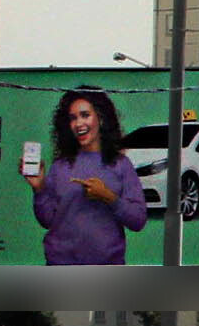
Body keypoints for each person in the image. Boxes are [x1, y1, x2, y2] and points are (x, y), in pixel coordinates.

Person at [25, 87, 147, 266]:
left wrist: (108, 197)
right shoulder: (60, 166)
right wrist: (39, 189)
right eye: (73, 118)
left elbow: (138, 220)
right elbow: (47, 221)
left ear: (101, 117)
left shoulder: (121, 165)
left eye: (85, 115)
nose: (78, 123)